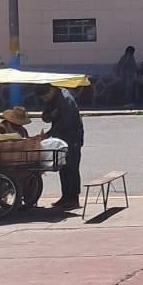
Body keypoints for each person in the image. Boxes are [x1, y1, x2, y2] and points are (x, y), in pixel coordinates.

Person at [40, 83, 83, 212]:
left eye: (45, 96)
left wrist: (48, 134)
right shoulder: (52, 98)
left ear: (51, 90)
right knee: (62, 167)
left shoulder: (66, 100)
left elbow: (66, 123)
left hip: (72, 136)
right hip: (61, 138)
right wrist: (51, 115)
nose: (45, 99)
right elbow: (45, 117)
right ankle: (65, 197)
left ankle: (73, 198)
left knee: (72, 167)